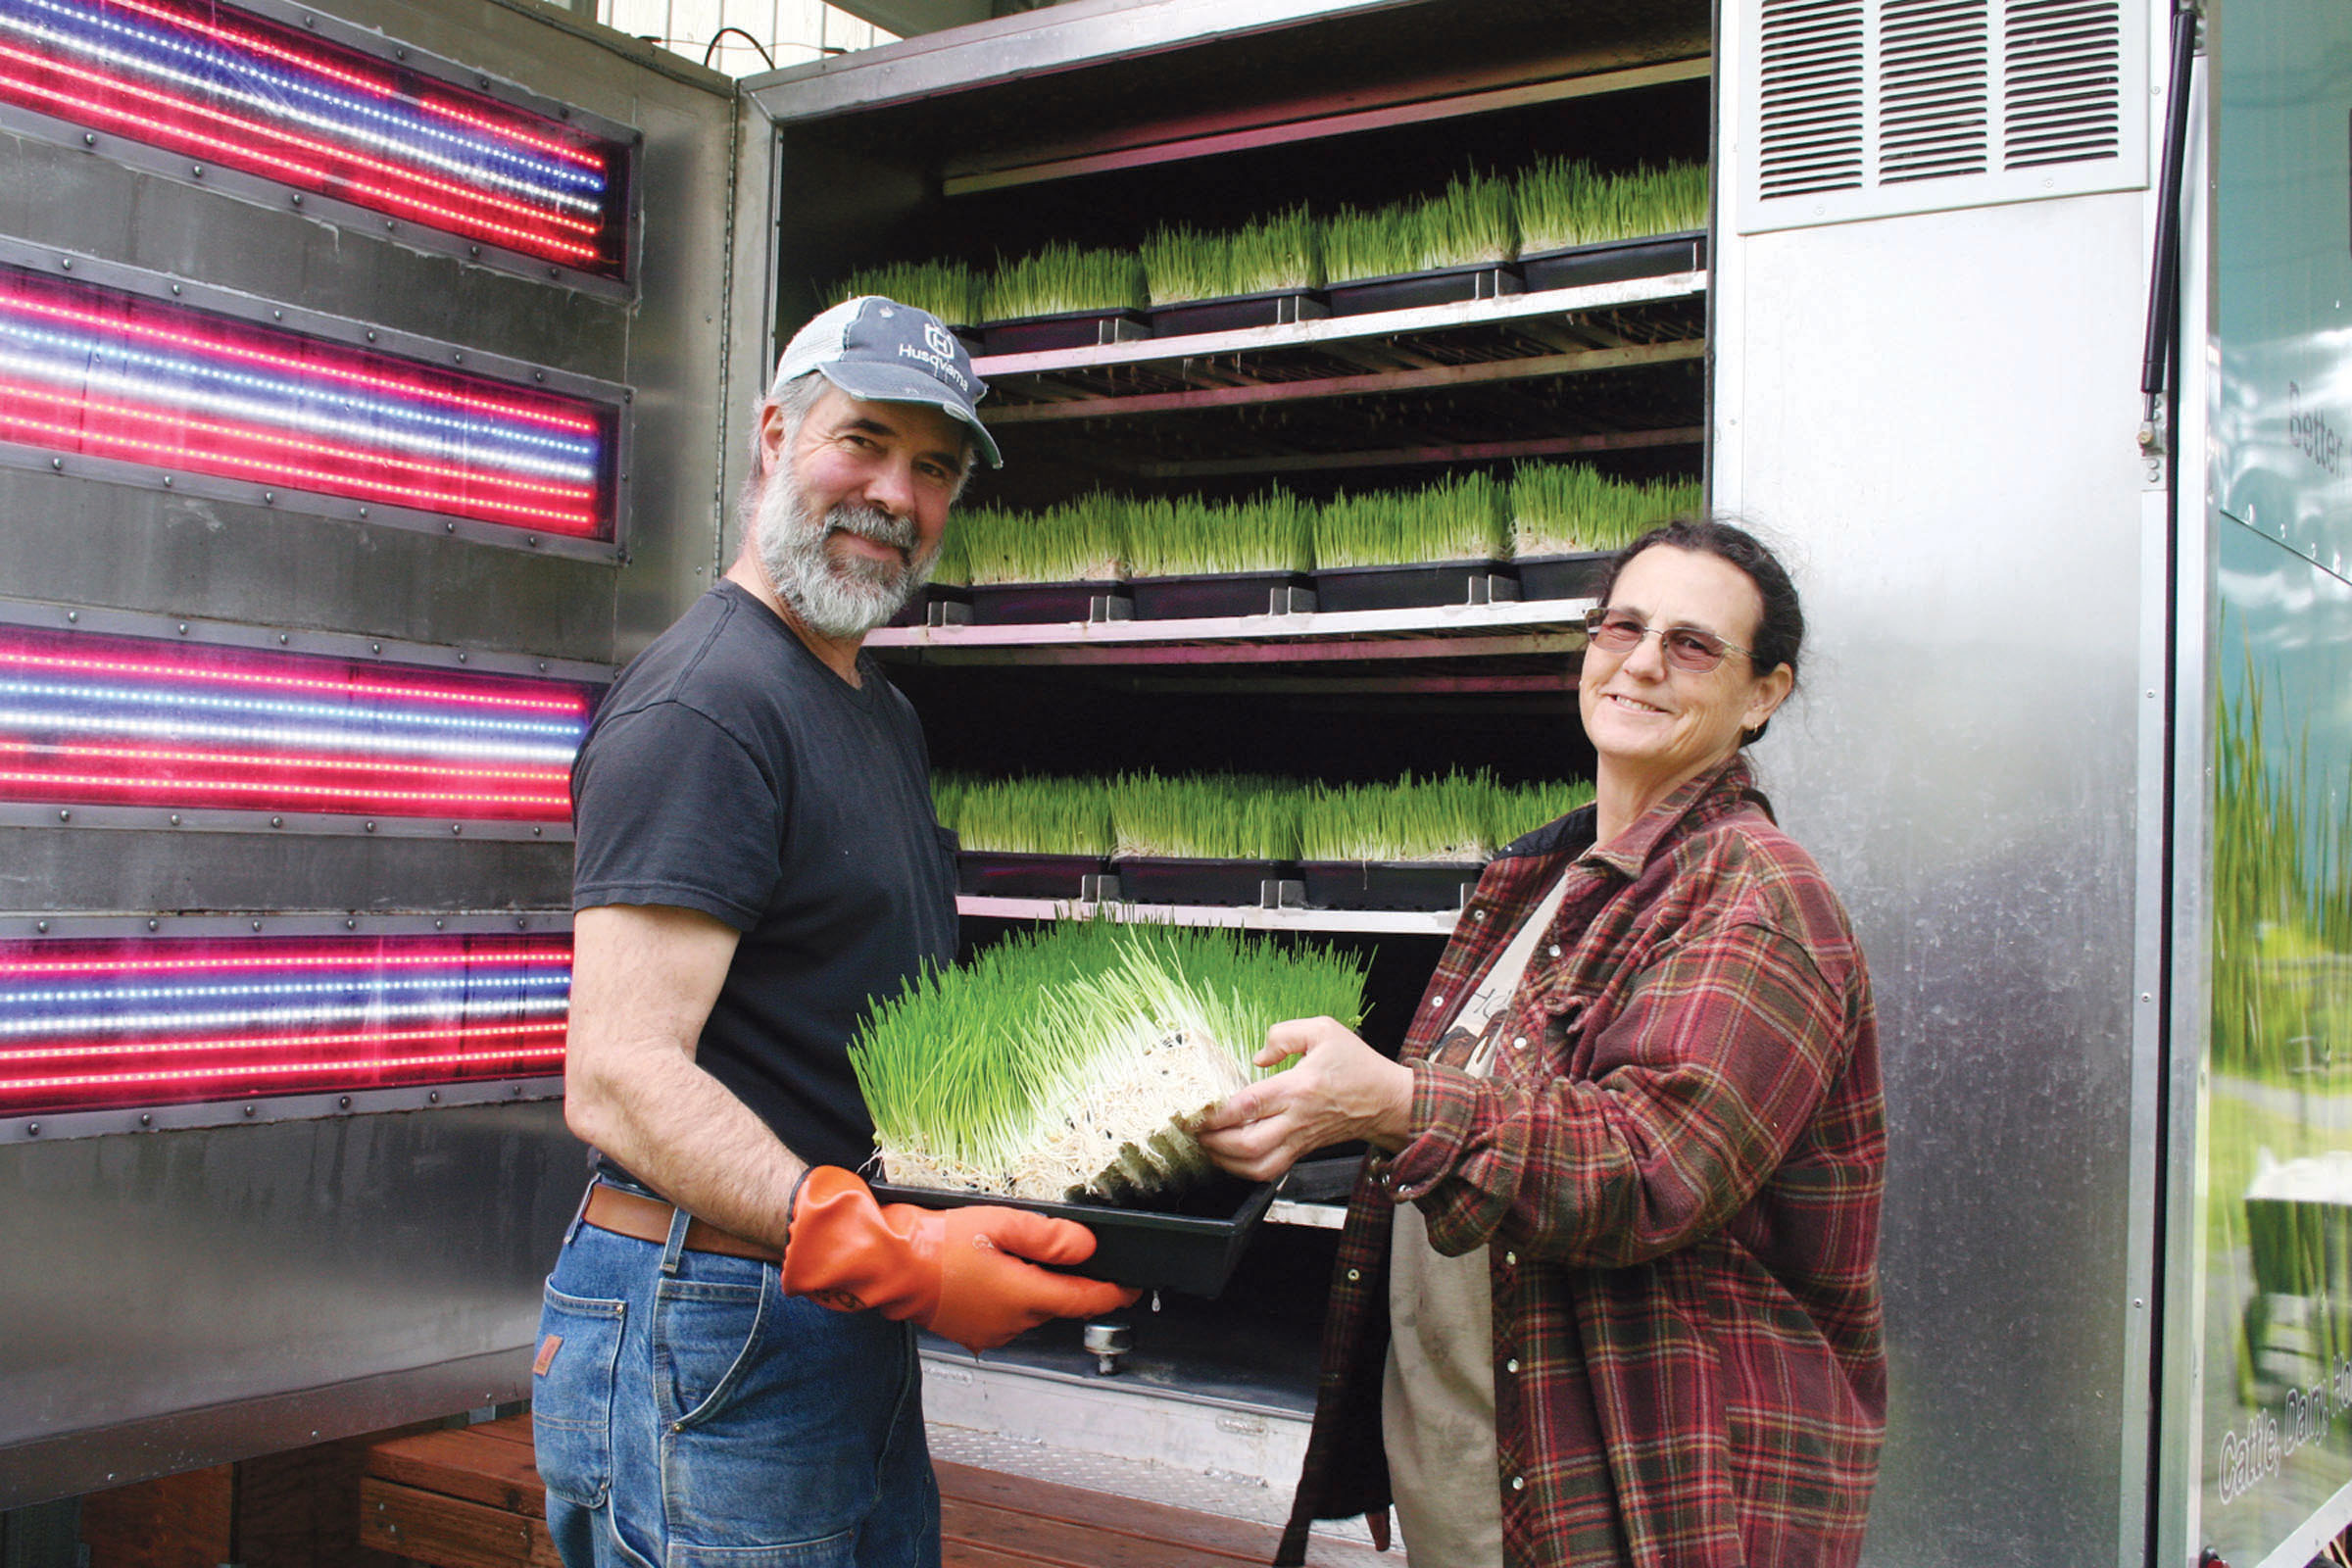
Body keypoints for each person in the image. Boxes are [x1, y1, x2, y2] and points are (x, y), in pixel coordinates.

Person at [531, 296, 1134, 1568]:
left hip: (822, 1307)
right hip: (713, 1311)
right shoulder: (709, 708)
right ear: (772, 434)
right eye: (861, 441)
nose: (892, 494)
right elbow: (619, 1076)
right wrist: (874, 1244)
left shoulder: (870, 706)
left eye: (933, 468)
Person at [1196, 518, 1886, 1568]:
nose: (1644, 660)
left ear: (1763, 694)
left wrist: (1389, 1102)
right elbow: (1487, 1136)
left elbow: (1644, 1166)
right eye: (1623, 625)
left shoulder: (1756, 897)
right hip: (1486, 1498)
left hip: (1652, 1506)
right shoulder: (1545, 882)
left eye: (1693, 644)